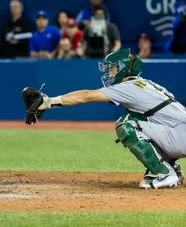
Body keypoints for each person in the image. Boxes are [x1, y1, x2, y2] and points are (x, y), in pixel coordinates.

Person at [22, 49, 186, 189]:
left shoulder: (128, 86)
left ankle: (163, 173)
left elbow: (86, 96)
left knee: (126, 124)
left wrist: (48, 102)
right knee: (136, 118)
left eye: (113, 68)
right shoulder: (144, 84)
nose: (110, 72)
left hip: (180, 135)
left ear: (124, 68)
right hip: (179, 133)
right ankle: (173, 170)